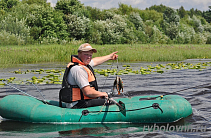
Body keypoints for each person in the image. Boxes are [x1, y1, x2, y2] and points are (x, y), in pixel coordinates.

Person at [61, 43, 118, 108]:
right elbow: (87, 92)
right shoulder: (78, 69)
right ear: (79, 54)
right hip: (77, 104)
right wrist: (103, 94)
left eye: (90, 55)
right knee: (110, 102)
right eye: (86, 54)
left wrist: (109, 57)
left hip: (82, 101)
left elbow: (95, 61)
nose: (89, 57)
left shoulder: (83, 64)